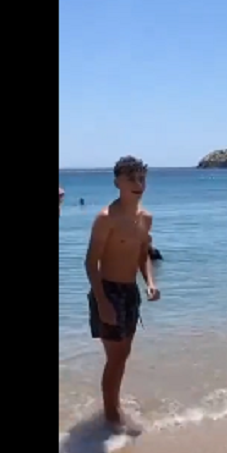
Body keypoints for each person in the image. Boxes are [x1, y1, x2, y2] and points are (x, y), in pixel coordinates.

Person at [84, 156, 161, 430]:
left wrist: (149, 282)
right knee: (115, 357)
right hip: (108, 290)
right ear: (117, 182)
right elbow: (90, 263)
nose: (138, 184)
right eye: (131, 179)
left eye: (142, 178)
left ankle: (112, 406)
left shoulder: (145, 218)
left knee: (123, 354)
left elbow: (142, 255)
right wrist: (103, 302)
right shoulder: (106, 218)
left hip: (130, 292)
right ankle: (112, 418)